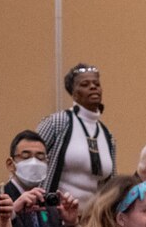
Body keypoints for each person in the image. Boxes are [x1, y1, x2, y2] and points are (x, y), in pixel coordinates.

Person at [37, 64, 115, 209]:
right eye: (85, 84)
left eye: (96, 84)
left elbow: (111, 183)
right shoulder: (57, 123)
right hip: (54, 216)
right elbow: (32, 158)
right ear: (74, 93)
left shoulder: (107, 135)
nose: (93, 87)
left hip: (90, 221)